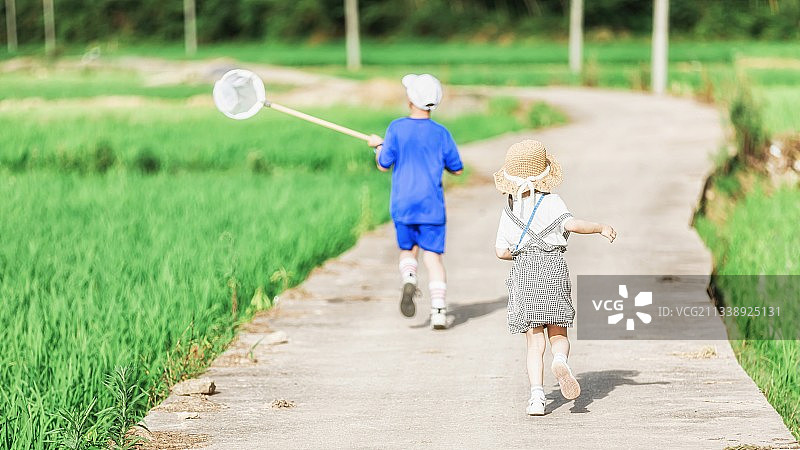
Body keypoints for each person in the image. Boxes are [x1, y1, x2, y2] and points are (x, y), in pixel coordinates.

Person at [493, 139, 616, 415]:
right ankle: (560, 359)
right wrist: (599, 227)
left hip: (525, 275)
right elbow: (572, 224)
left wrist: (522, 254)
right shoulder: (553, 202)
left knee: (534, 342)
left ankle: (537, 398)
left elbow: (501, 251)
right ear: (545, 172)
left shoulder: (510, 210)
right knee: (558, 331)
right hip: (552, 271)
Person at [367, 74, 463, 330]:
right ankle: (440, 311)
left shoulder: (396, 128)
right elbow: (457, 169)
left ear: (410, 99)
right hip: (432, 207)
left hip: (404, 205)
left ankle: (409, 276)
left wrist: (378, 147)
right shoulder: (441, 133)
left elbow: (383, 165)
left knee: (408, 250)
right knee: (433, 259)